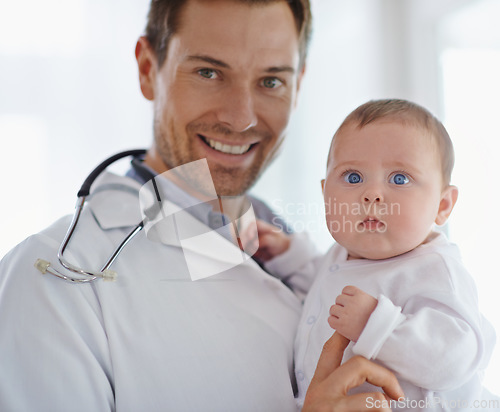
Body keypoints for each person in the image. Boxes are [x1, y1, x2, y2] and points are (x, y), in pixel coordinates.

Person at [0, 1, 405, 411]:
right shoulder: (57, 278)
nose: (240, 118)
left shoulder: (310, 258)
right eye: (208, 72)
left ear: (298, 85)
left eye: (270, 81)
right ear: (147, 69)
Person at [256, 99, 498, 410]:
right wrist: (290, 254)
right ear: (325, 193)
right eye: (353, 177)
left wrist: (376, 324)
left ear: (442, 206)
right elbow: (323, 286)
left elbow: (453, 357)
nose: (371, 194)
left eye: (400, 178)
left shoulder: (435, 269)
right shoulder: (341, 254)